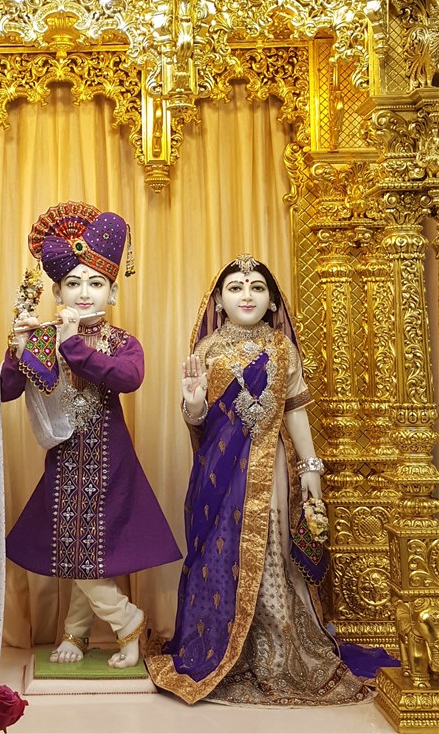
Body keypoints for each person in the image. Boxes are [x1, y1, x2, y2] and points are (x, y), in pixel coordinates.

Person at [146, 254, 370, 704]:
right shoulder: (207, 351)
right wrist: (193, 401)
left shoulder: (284, 349)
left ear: (272, 301)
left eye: (256, 287)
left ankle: (277, 651)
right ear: (218, 300)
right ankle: (227, 650)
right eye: (235, 287)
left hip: (272, 467)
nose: (246, 295)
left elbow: (295, 411)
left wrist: (310, 468)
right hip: (219, 474)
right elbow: (198, 421)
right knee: (219, 553)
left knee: (270, 549)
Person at [0, 202, 181, 668]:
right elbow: (6, 391)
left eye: (96, 283)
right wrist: (16, 349)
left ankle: (118, 624)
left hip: (110, 461)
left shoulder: (122, 342)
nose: (84, 293)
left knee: (89, 545)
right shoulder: (43, 337)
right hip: (63, 459)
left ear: (113, 291)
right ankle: (93, 629)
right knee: (75, 545)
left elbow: (128, 379)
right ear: (57, 290)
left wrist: (73, 346)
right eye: (73, 283)